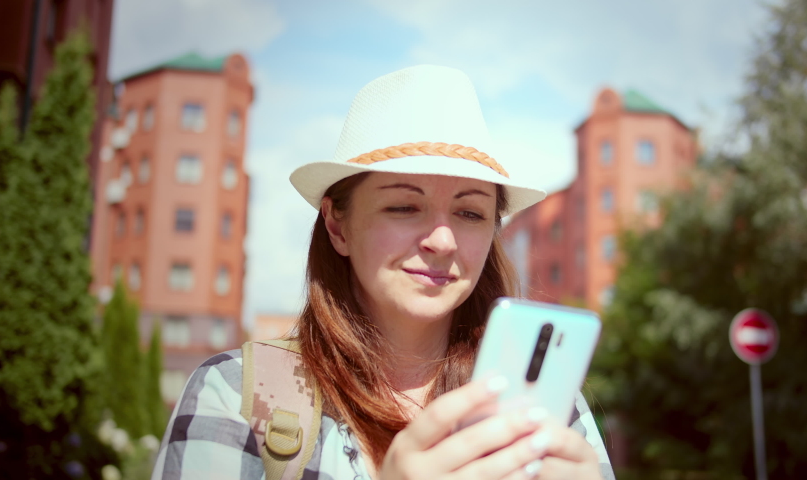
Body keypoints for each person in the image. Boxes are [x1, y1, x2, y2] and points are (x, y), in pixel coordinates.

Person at [152, 65, 615, 480]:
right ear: (338, 226)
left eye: (471, 213)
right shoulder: (236, 394)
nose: (443, 239)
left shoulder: (548, 410)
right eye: (403, 206)